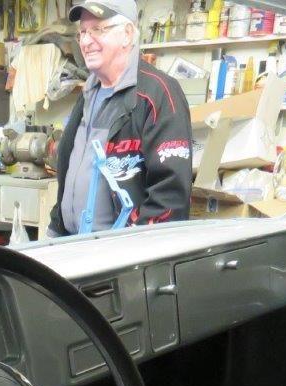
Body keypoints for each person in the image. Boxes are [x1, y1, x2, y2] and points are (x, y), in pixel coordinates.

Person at [48, 0, 192, 237]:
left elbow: (170, 195)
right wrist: (55, 230)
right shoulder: (88, 94)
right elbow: (69, 177)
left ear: (126, 34)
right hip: (72, 247)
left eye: (98, 30)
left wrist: (135, 255)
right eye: (83, 32)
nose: (85, 41)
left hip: (121, 258)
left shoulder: (158, 95)